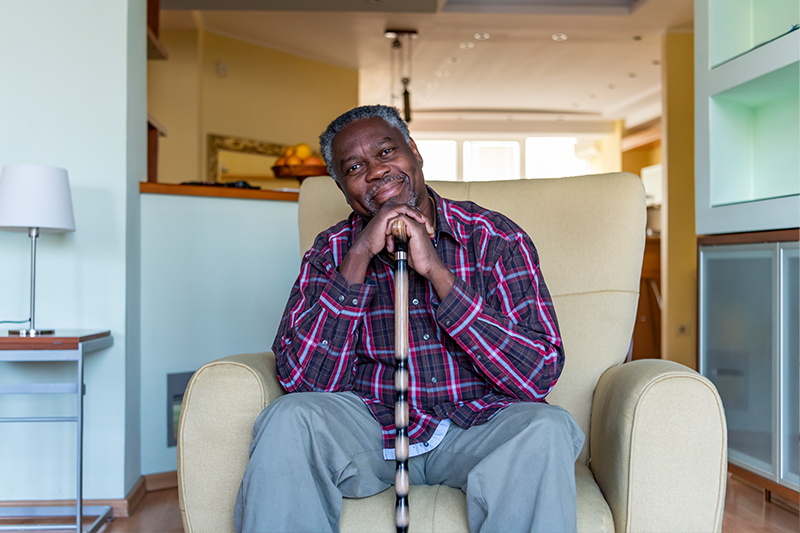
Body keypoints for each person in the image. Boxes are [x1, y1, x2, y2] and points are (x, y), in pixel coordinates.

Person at [234, 105, 584, 533]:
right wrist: (358, 256)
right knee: (288, 418)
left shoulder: (495, 237)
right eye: (355, 167)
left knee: (546, 427)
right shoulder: (330, 252)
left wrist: (438, 273)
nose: (377, 172)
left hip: (477, 428)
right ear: (343, 187)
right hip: (370, 431)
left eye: (386, 152)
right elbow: (303, 384)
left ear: (414, 152)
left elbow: (537, 376)